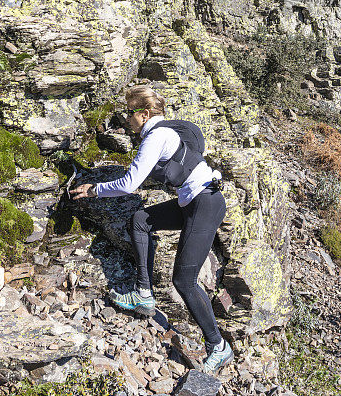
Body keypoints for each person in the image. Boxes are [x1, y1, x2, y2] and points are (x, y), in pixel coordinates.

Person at [71, 84, 234, 375]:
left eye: (129, 112)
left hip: (205, 204)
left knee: (184, 281)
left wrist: (95, 190)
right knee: (141, 220)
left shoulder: (157, 136)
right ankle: (144, 293)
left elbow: (129, 184)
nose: (126, 119)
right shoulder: (158, 135)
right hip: (193, 202)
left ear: (144, 114)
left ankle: (218, 346)